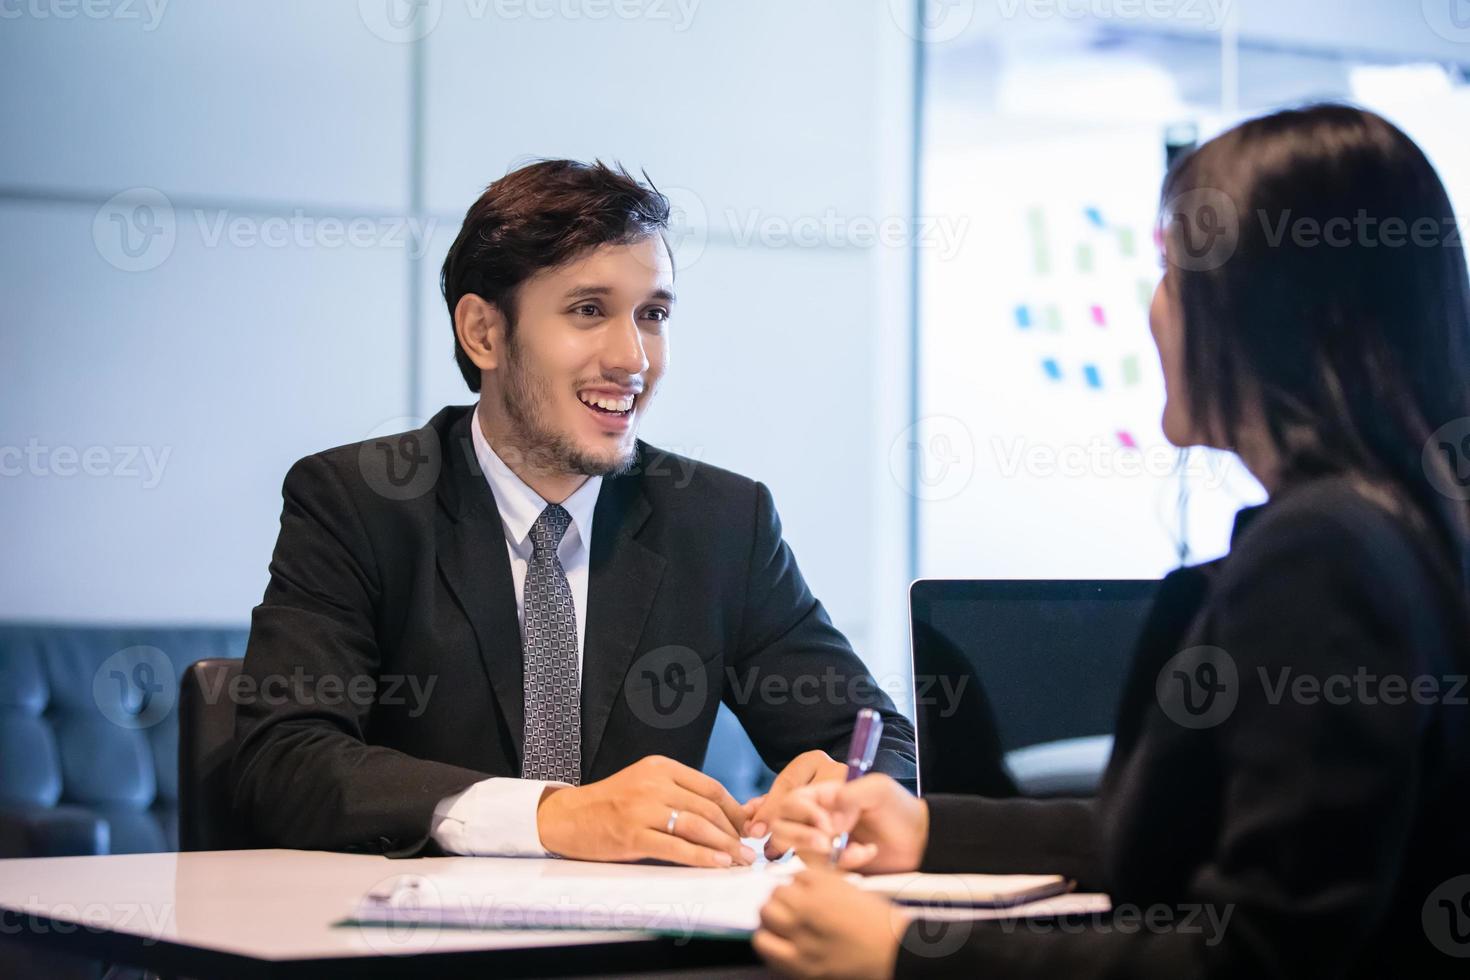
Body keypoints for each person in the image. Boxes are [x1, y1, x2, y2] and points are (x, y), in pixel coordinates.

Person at [752, 105, 1470, 977]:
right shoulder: (1400, 531)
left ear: (1260, 313)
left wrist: (909, 956)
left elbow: (1260, 956)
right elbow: (1197, 830)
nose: (1153, 310)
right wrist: (934, 828)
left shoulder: (1326, 558)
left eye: (1171, 274)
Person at [230, 159, 915, 864]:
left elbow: (877, 738)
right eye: (589, 311)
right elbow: (284, 762)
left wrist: (847, 784)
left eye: (653, 315)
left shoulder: (720, 522)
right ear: (484, 333)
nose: (632, 357)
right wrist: (552, 816)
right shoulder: (359, 502)